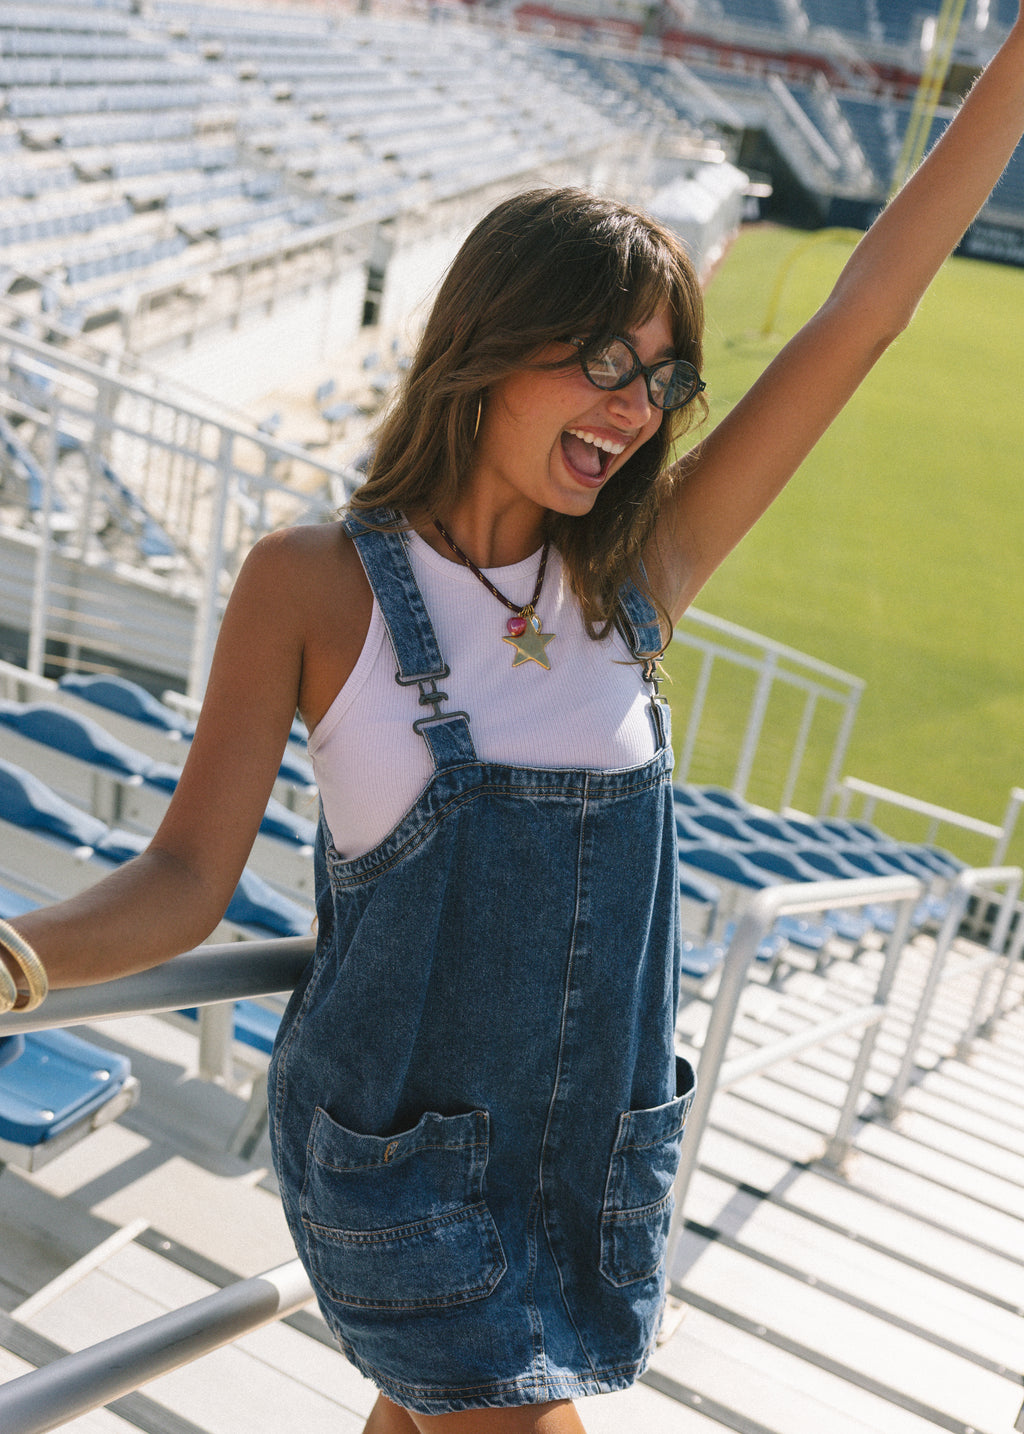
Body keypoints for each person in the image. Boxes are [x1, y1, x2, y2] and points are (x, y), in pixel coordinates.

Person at [2, 13, 1024, 1430]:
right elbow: (186, 876)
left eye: (663, 381)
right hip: (394, 1183)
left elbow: (866, 311)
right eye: (608, 359)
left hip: (583, 1179)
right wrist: (13, 955)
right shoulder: (313, 583)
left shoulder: (633, 576)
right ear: (492, 338)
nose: (635, 409)